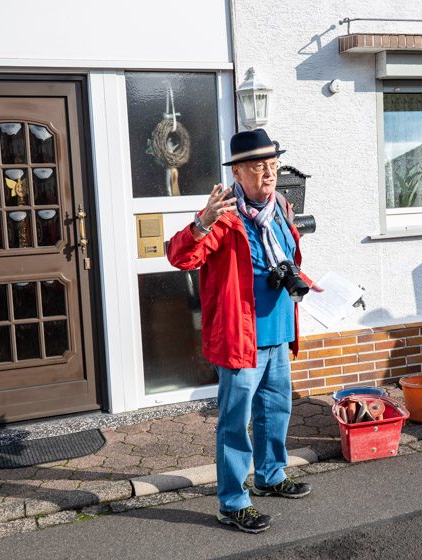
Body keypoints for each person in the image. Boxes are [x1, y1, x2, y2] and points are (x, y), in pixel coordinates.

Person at [166, 129, 318, 533]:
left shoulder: (281, 206)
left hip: (279, 330)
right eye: (258, 167)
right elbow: (179, 256)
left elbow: (282, 257)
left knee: (276, 411)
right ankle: (233, 502)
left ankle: (271, 476)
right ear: (237, 172)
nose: (269, 174)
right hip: (241, 338)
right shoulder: (224, 218)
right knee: (235, 421)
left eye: (272, 166)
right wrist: (202, 221)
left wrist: (301, 277)